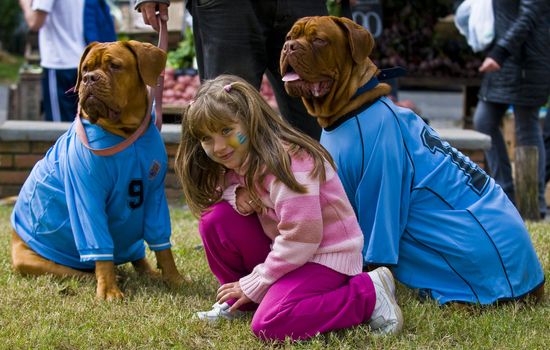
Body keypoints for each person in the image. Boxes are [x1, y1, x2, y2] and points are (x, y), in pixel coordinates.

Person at [174, 75, 403, 341]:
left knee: (270, 324)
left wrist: (258, 280)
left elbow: (302, 238)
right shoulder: (241, 158)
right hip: (290, 252)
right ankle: (243, 302)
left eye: (226, 131)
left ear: (250, 121)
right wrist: (235, 192)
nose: (219, 147)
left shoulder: (289, 163)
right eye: (206, 138)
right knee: (215, 219)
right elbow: (218, 187)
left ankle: (368, 294)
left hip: (324, 257)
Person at [134, 0, 327, 140]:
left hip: (304, 4)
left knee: (318, 125)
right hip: (227, 6)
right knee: (226, 120)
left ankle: (325, 194)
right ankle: (229, 196)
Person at [472, 0, 550, 219]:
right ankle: (505, 196)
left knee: (527, 126)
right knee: (483, 121)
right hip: (506, 62)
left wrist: (499, 52)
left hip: (527, 61)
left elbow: (529, 15)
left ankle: (533, 205)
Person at [18, 0, 116, 122]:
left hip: (59, 63)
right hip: (84, 62)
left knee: (58, 127)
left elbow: (35, 23)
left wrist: (25, 3)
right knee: (85, 124)